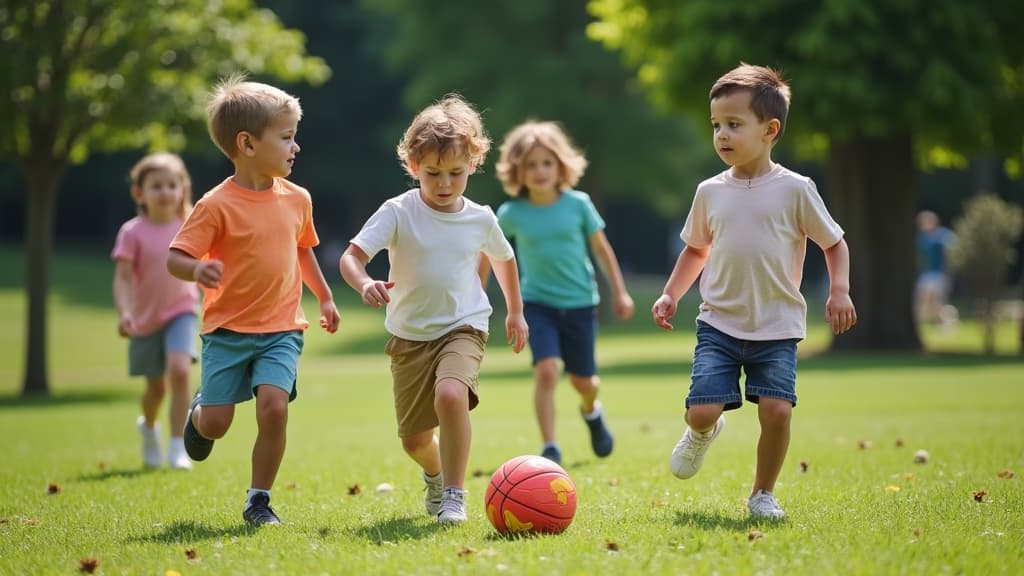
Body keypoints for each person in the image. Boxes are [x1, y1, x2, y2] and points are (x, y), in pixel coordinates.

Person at [651, 63, 857, 519]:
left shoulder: (795, 189)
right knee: (701, 412)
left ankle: (762, 493)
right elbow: (694, 251)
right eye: (716, 125)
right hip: (719, 323)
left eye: (733, 125)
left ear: (770, 129)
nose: (721, 135)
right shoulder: (709, 191)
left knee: (778, 412)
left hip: (777, 326)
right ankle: (703, 432)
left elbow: (834, 243)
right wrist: (670, 294)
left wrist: (839, 291)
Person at [339, 95, 528, 526]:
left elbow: (504, 259)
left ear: (473, 164)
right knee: (414, 439)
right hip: (409, 334)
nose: (445, 183)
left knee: (450, 395)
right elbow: (351, 257)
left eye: (456, 173)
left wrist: (514, 311)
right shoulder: (398, 212)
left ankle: (455, 496)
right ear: (413, 167)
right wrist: (365, 282)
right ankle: (436, 475)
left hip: (464, 325)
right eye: (433, 173)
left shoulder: (480, 217)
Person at [167, 74, 340, 526]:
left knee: (274, 407)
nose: (295, 147)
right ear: (247, 144)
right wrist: (196, 269)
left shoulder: (297, 199)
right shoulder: (215, 205)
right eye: (285, 137)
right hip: (226, 332)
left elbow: (303, 250)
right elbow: (176, 257)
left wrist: (323, 298)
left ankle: (258, 500)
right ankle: (200, 412)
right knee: (217, 424)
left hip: (281, 328)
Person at [490, 120, 634, 465]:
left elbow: (602, 249)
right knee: (547, 370)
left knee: (585, 383)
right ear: (517, 171)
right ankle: (550, 446)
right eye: (530, 165)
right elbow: (490, 252)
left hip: (581, 305)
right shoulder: (511, 213)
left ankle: (591, 411)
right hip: (537, 305)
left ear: (560, 166)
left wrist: (621, 292)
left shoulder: (578, 204)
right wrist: (479, 292)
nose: (539, 171)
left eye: (546, 163)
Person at [111, 152, 199, 471]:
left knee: (179, 370)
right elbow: (122, 278)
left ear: (182, 189)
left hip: (182, 311)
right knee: (155, 389)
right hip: (144, 321)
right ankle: (148, 428)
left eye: (171, 185)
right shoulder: (132, 232)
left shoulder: (189, 226)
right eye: (156, 186)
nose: (165, 192)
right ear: (140, 193)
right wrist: (125, 313)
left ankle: (178, 446)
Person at [915, 210, 957, 325]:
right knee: (928, 302)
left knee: (931, 301)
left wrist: (948, 273)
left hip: (938, 274)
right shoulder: (922, 238)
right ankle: (947, 322)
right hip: (927, 274)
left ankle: (947, 321)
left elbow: (951, 252)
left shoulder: (943, 235)